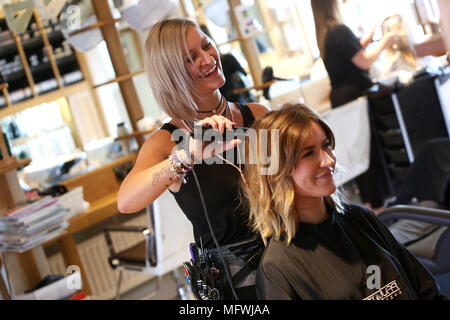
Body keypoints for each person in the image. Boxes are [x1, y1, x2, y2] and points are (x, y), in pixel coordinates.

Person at [116, 18, 270, 300]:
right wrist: (186, 157)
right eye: (191, 58)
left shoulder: (257, 115)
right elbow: (126, 200)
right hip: (235, 286)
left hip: (290, 259)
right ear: (171, 73)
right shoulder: (167, 141)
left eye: (206, 45)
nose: (208, 58)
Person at [241, 103, 447, 300]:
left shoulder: (360, 218)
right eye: (308, 153)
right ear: (276, 171)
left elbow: (426, 290)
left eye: (326, 145)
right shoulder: (278, 270)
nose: (329, 160)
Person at [311, 0, 400, 213]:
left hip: (341, 98)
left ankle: (371, 205)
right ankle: (379, 206)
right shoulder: (340, 30)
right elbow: (364, 62)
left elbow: (350, 55)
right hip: (354, 97)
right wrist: (385, 41)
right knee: (369, 151)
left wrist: (367, 41)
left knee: (359, 153)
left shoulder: (326, 33)